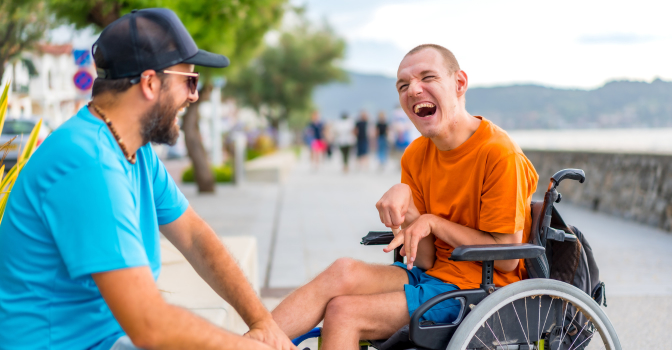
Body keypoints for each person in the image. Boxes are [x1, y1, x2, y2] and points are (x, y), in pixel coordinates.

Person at [0, 9, 295, 350]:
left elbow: (195, 238)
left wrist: (262, 323)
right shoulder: (88, 164)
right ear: (151, 83)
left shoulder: (132, 150)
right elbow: (149, 326)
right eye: (190, 81)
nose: (193, 96)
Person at [270, 44, 539, 350]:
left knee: (343, 312)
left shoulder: (499, 154)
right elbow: (424, 259)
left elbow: (507, 260)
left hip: (482, 292)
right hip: (434, 277)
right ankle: (241, 344)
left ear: (459, 84)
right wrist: (409, 206)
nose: (413, 90)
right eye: (403, 85)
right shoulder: (416, 154)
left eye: (428, 77)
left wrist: (433, 223)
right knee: (342, 270)